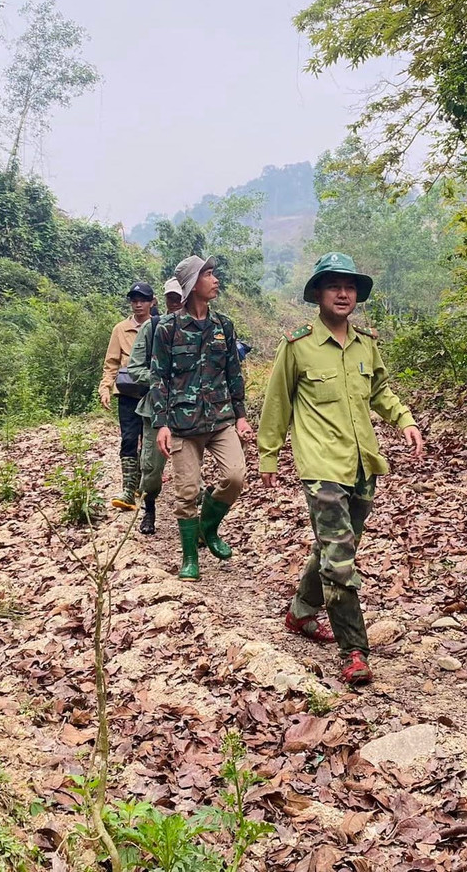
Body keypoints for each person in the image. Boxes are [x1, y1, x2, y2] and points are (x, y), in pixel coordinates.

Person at [257, 253, 424, 687]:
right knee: (340, 557)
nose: (344, 293)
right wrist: (268, 455)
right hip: (321, 465)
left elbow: (381, 390)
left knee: (334, 547)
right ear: (318, 294)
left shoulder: (366, 342)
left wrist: (404, 420)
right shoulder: (297, 346)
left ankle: (300, 612)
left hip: (363, 462)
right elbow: (277, 403)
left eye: (350, 286)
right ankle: (354, 650)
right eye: (334, 286)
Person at [149, 256, 253, 581]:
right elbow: (158, 378)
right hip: (182, 424)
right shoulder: (168, 328)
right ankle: (190, 558)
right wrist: (161, 423)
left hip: (220, 418)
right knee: (186, 492)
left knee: (235, 476)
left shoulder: (224, 326)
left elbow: (233, 373)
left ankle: (208, 526)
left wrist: (241, 416)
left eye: (213, 273)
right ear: (193, 284)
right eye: (208, 274)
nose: (215, 279)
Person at [123, 278, 184, 535]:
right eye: (171, 298)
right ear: (164, 299)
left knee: (190, 469)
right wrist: (160, 379)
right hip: (156, 409)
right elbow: (135, 368)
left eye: (179, 298)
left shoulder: (199, 327)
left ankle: (194, 522)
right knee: (151, 468)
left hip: (188, 410)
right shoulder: (153, 326)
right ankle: (149, 509)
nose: (175, 303)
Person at [100, 282, 157, 511]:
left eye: (142, 300)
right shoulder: (120, 329)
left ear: (152, 302)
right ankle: (128, 490)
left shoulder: (159, 326)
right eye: (134, 300)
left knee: (149, 441)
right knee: (129, 439)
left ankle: (144, 486)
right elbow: (111, 363)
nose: (138, 304)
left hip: (152, 393)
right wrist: (105, 387)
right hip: (127, 393)